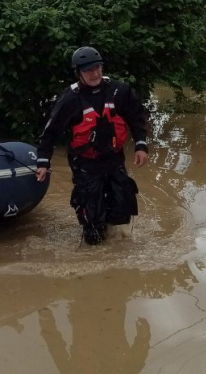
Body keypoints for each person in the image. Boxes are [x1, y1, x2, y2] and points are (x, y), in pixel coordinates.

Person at [35, 46, 149, 245]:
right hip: (85, 164)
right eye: (88, 70)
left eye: (98, 67)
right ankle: (94, 244)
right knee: (93, 225)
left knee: (122, 208)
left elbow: (137, 118)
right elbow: (50, 131)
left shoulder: (119, 91)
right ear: (79, 72)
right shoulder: (70, 99)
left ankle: (117, 256)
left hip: (114, 160)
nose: (95, 73)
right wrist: (43, 162)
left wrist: (141, 145)